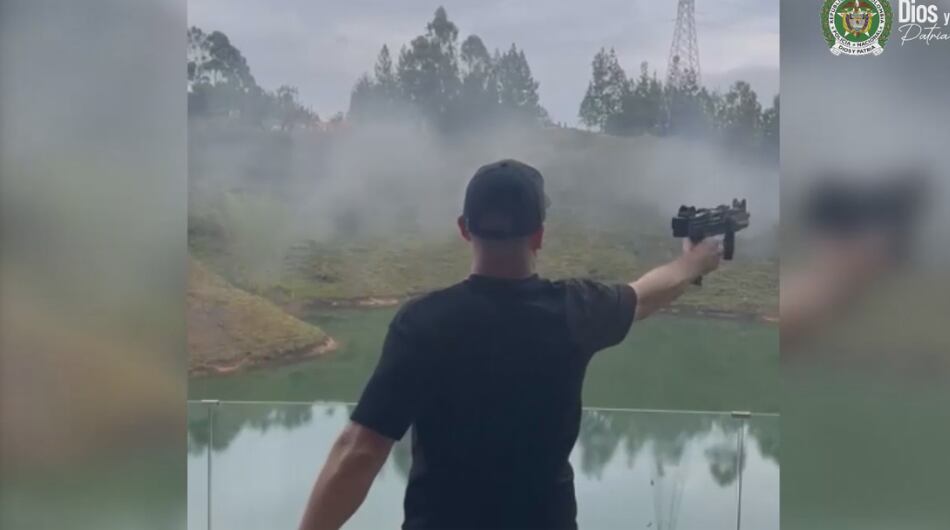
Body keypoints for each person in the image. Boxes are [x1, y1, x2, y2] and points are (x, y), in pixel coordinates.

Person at [298, 159, 723, 530]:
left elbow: (361, 451)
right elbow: (645, 294)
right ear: (538, 235)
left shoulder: (423, 324)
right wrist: (694, 262)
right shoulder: (575, 310)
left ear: (464, 229)